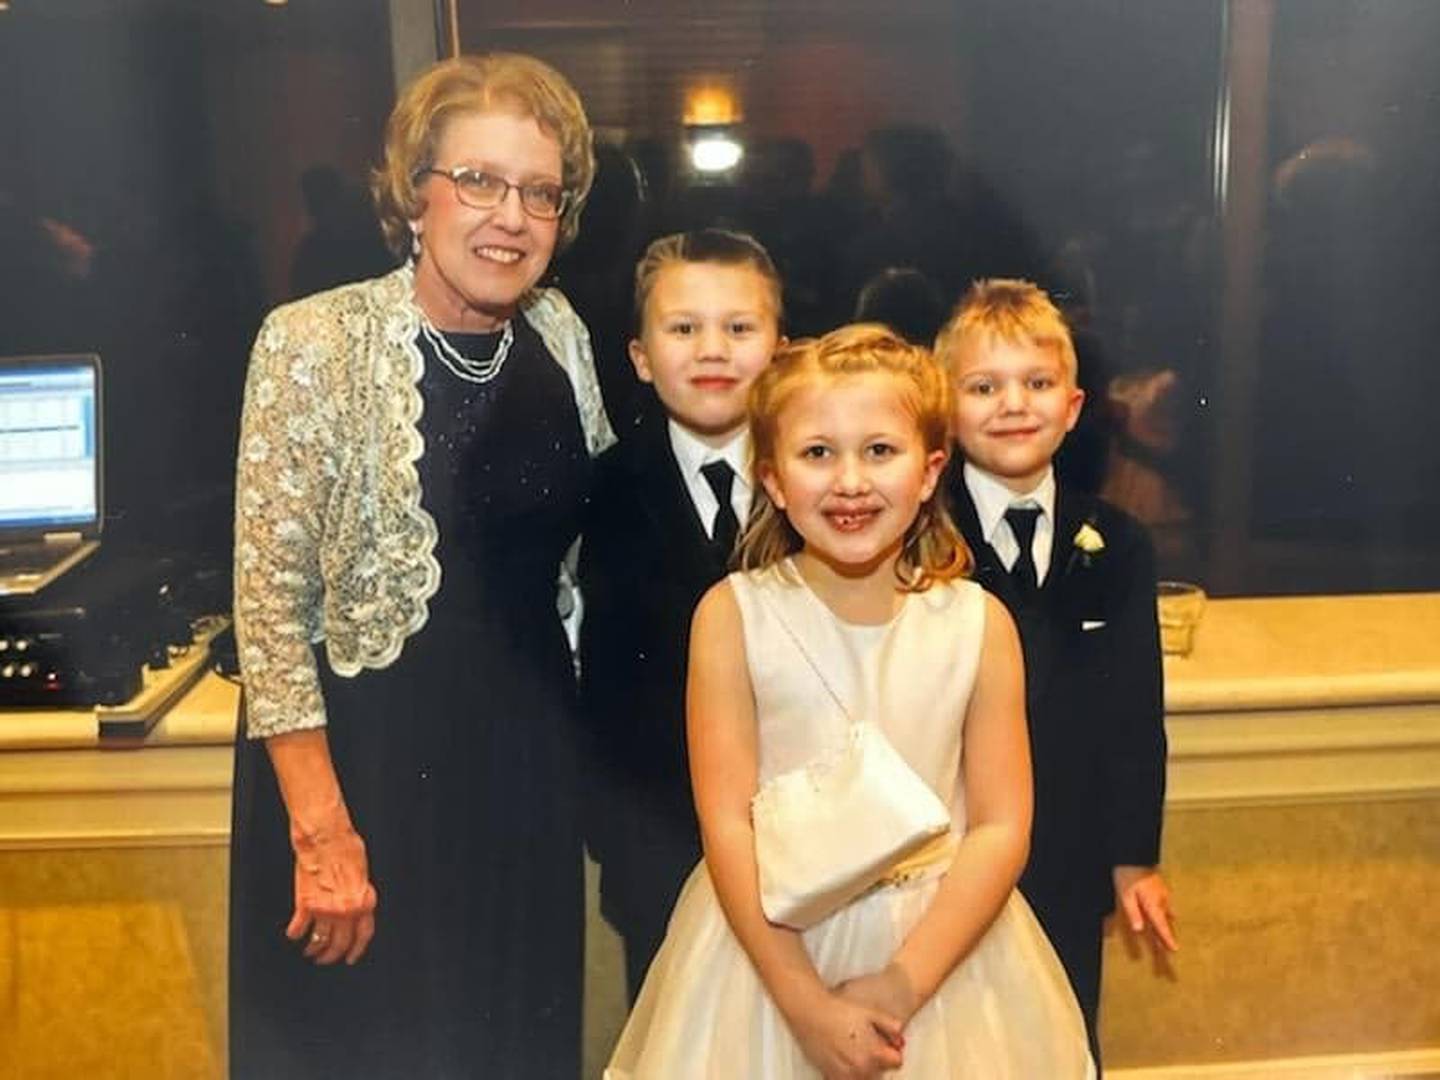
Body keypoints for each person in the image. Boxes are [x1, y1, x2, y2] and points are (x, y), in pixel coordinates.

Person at [228, 53, 613, 1078]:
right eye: (478, 180)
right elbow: (268, 608)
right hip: (368, 788)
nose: (510, 216)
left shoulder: (563, 336)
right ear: (415, 194)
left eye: (540, 191)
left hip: (524, 781)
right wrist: (322, 836)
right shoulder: (312, 340)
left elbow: (602, 554)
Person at [606, 325, 1094, 1078]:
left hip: (943, 957)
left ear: (931, 469)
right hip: (769, 959)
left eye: (879, 451)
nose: (850, 482)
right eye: (816, 454)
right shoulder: (732, 616)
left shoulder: (978, 625)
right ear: (771, 478)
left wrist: (901, 986)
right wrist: (804, 1004)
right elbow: (727, 824)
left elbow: (1000, 826)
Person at [935, 278, 1176, 1069]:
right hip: (949, 851)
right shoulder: (919, 539)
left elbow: (1135, 712)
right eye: (984, 387)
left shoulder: (1120, 542)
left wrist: (1134, 857)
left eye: (1037, 385)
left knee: (1061, 1033)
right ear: (945, 404)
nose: (1013, 405)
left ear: (1072, 408)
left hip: (1068, 850)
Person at [580, 228, 785, 1001]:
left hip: (807, 839)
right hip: (658, 843)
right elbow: (597, 675)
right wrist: (615, 832)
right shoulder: (600, 491)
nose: (712, 350)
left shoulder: (821, 483)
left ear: (780, 346)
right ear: (639, 356)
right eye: (683, 328)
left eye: (739, 328)